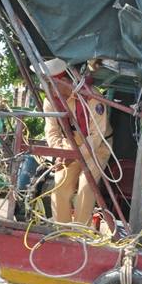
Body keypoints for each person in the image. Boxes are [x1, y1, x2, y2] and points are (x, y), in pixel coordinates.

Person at [42, 58, 112, 226]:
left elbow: (96, 136)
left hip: (98, 146)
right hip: (70, 145)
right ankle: (62, 231)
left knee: (86, 186)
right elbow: (52, 130)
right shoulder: (50, 100)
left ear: (65, 82)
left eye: (52, 85)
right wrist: (59, 152)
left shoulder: (91, 96)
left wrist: (74, 155)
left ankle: (81, 236)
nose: (48, 90)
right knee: (59, 185)